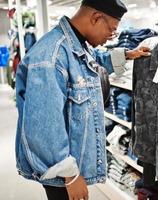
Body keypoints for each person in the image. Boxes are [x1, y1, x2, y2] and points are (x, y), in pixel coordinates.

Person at [15, 0, 150, 199]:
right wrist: (69, 176)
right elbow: (44, 126)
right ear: (96, 18)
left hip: (67, 165)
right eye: (111, 30)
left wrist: (128, 55)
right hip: (60, 172)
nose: (110, 38)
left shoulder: (76, 44)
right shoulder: (51, 57)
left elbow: (93, 62)